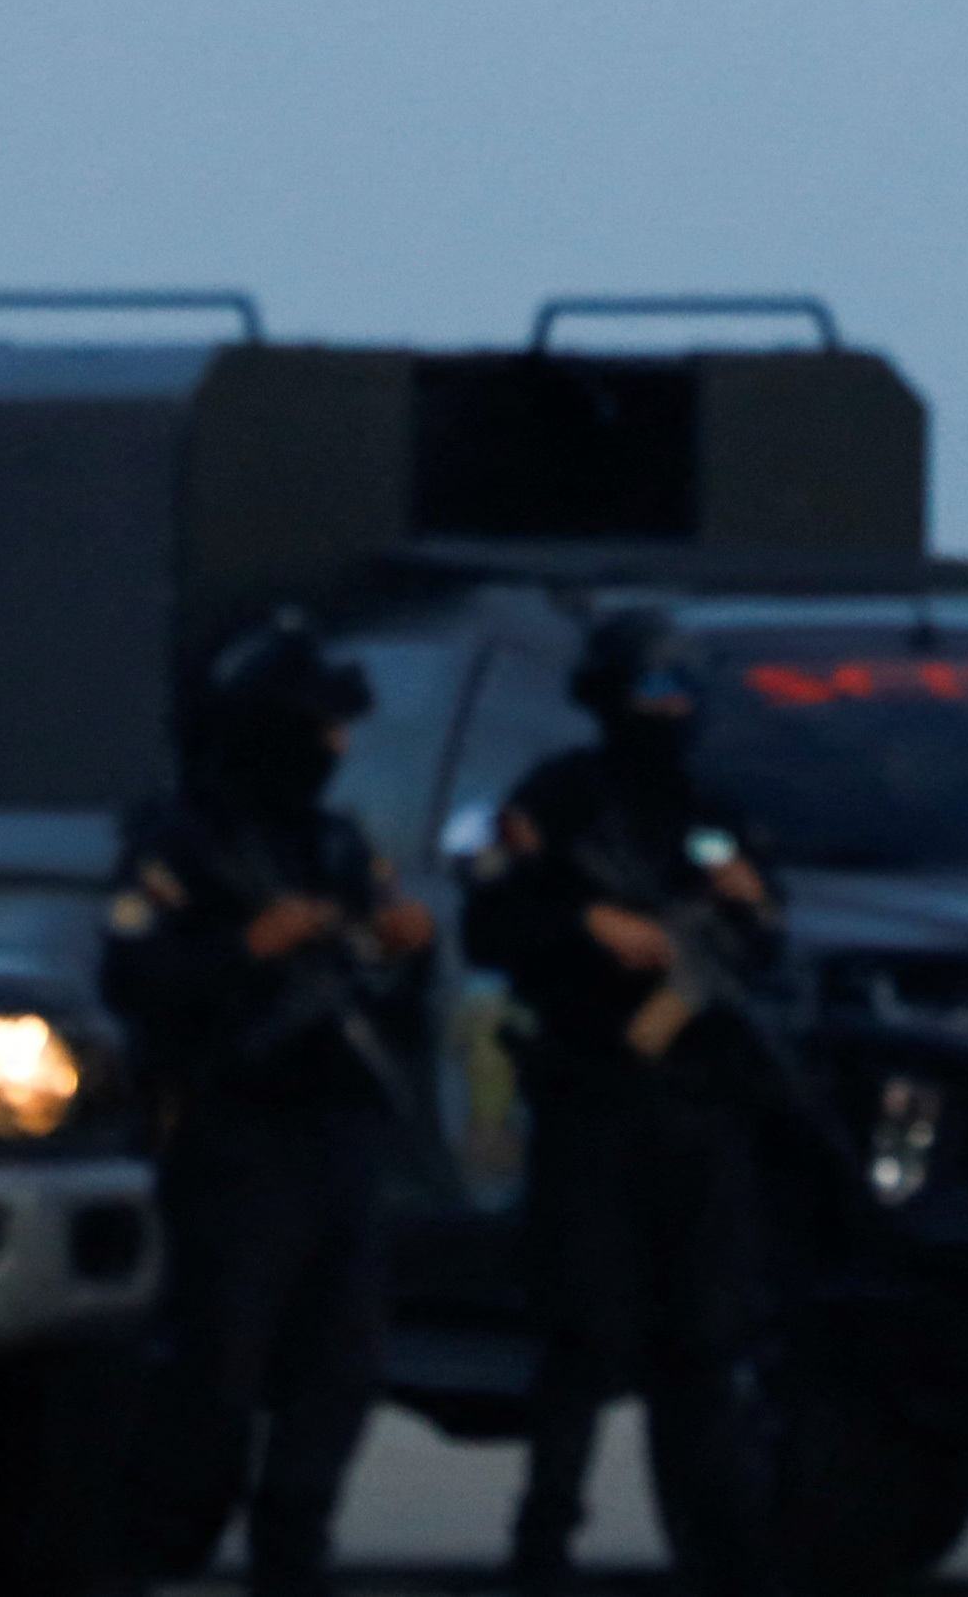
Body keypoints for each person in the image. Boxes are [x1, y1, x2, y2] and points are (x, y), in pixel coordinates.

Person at [458, 611, 792, 1597]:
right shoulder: (558, 800)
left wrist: (740, 912)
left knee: (709, 1339)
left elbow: (763, 937)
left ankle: (726, 1551)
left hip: (701, 1106)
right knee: (584, 1335)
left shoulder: (708, 809)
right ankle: (544, 1542)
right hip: (593, 1098)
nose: (667, 711)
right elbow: (490, 921)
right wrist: (583, 923)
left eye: (678, 693)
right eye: (650, 692)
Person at [105, 614, 435, 1597]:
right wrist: (247, 948)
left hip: (338, 1127)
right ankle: (151, 1542)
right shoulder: (182, 844)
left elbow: (389, 985)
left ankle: (294, 1550)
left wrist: (401, 947)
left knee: (341, 1361)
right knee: (219, 1366)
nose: (336, 745)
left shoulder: (334, 842)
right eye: (319, 726)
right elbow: (135, 976)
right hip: (234, 1133)